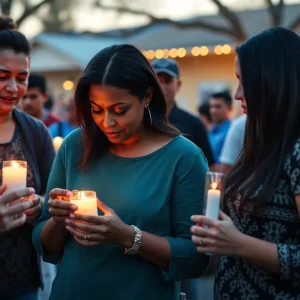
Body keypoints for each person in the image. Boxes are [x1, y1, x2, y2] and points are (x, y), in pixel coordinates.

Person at [32, 44, 210, 300]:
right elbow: (45, 244)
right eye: (96, 110)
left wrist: (127, 236)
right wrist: (59, 219)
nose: (107, 122)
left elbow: (195, 257)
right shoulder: (74, 146)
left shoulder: (184, 158)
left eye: (119, 110)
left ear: (147, 96)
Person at [191, 27, 300, 299]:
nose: (238, 94)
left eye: (243, 81)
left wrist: (237, 243)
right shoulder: (264, 139)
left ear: (272, 81)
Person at [0, 17, 56, 299]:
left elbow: (55, 194)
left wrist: (39, 204)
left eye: (21, 78)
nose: (13, 87)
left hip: (22, 283)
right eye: (2, 76)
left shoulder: (35, 133)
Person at [152, 58, 215, 168]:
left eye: (167, 81)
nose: (162, 86)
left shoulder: (194, 124)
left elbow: (210, 166)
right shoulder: (141, 121)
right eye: (157, 81)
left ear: (179, 85)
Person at [208, 91, 232, 163]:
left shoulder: (231, 131)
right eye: (211, 106)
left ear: (230, 108)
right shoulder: (211, 131)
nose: (213, 110)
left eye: (218, 107)